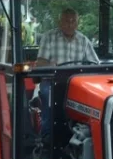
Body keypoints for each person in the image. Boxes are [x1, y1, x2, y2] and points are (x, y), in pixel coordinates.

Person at [33, 8, 99, 139]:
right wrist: (50, 65)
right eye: (66, 21)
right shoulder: (49, 37)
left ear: (77, 23)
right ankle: (46, 137)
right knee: (47, 95)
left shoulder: (83, 40)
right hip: (52, 81)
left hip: (76, 84)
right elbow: (40, 63)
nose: (70, 24)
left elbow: (95, 64)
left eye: (73, 21)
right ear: (59, 22)